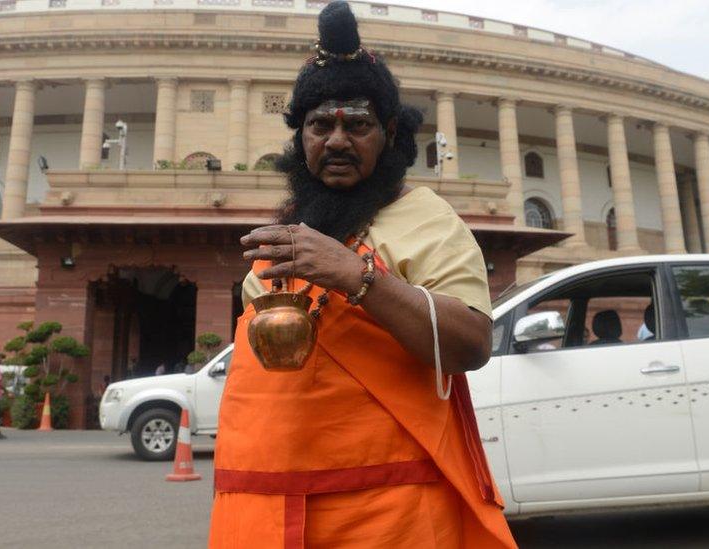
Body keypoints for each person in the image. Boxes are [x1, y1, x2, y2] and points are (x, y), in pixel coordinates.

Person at [209, 4, 515, 547]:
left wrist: (356, 274)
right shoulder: (280, 245)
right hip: (274, 512)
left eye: (358, 125)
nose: (337, 141)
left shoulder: (429, 220)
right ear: (300, 139)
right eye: (320, 125)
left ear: (389, 133)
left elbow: (470, 345)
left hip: (393, 515)